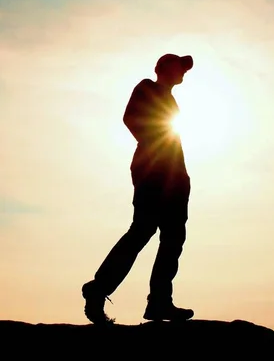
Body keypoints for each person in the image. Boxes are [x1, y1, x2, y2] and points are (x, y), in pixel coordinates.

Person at [82, 53, 194, 324]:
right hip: (153, 173)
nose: (184, 73)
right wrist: (154, 148)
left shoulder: (170, 99)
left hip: (174, 177)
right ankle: (98, 289)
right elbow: (131, 118)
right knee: (142, 230)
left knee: (173, 237)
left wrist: (181, 175)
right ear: (164, 67)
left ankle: (159, 302)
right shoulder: (147, 87)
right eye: (181, 67)